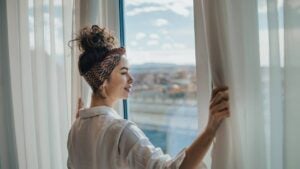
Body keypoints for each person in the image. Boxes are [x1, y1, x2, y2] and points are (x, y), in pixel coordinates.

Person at [67, 25, 230, 169]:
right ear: (103, 81)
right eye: (124, 72)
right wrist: (211, 128)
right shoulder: (121, 131)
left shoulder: (76, 129)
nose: (131, 79)